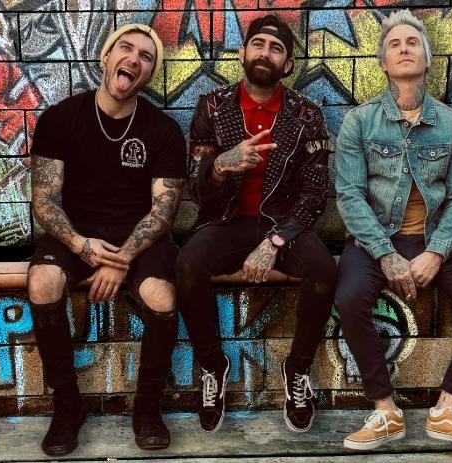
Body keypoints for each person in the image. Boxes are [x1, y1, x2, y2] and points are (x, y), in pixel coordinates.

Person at [334, 9, 452, 451]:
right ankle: (384, 410)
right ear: (383, 63)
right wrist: (385, 253)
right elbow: (350, 196)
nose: (404, 48)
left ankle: (448, 408)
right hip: (375, 241)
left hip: (434, 241)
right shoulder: (359, 122)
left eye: (412, 42)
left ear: (428, 60)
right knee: (350, 297)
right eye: (394, 44)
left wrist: (436, 252)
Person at [28, 24, 186, 456]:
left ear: (149, 75)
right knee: (42, 281)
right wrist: (82, 246)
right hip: (75, 234)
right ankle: (67, 406)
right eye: (125, 49)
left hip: (140, 241)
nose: (134, 59)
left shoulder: (164, 131)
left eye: (146, 57)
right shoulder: (61, 119)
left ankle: (147, 408)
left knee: (161, 296)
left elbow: (164, 210)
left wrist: (121, 259)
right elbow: (44, 200)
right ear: (106, 58)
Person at [177, 14, 336, 434]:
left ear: (287, 65)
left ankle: (297, 370)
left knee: (323, 269)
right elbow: (196, 190)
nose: (265, 52)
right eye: (259, 44)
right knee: (187, 265)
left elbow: (315, 192)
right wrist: (219, 167)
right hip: (227, 222)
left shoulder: (307, 114)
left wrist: (275, 240)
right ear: (244, 53)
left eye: (277, 48)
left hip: (284, 225)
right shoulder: (211, 106)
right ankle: (214, 367)